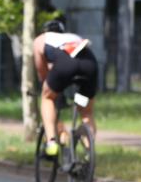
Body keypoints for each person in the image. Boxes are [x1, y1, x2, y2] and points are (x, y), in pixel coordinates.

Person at [33, 15, 98, 157]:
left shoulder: (40, 39)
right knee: (86, 111)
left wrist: (50, 85)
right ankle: (89, 151)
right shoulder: (73, 37)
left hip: (65, 65)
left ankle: (51, 143)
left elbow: (42, 73)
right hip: (89, 64)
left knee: (47, 98)